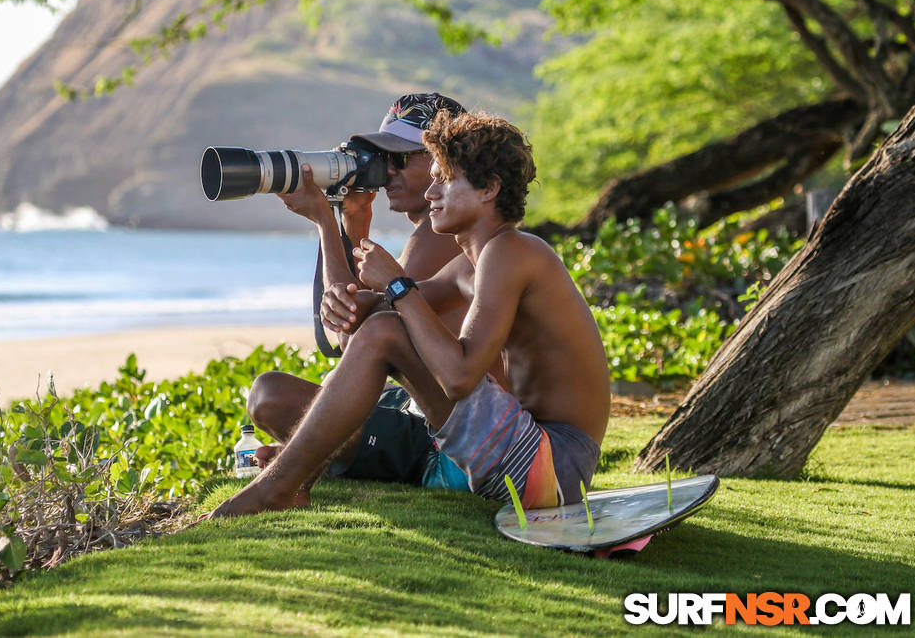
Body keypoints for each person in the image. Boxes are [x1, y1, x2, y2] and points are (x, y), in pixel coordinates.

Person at [200, 110, 610, 520]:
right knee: (382, 326)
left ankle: (278, 489)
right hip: (536, 459)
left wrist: (397, 285)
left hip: (553, 466)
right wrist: (346, 299)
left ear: (489, 188)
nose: (431, 194)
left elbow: (459, 376)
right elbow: (376, 316)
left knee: (386, 331)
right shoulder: (474, 263)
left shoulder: (513, 251)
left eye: (443, 180)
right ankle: (291, 479)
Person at [247, 92, 478, 499]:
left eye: (400, 158)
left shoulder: (439, 237)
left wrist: (324, 218)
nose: (386, 170)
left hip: (444, 444)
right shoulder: (435, 231)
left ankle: (303, 466)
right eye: (380, 157)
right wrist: (353, 221)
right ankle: (311, 458)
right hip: (426, 421)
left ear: (445, 161)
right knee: (284, 398)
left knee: (271, 397)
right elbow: (346, 329)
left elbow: (350, 336)